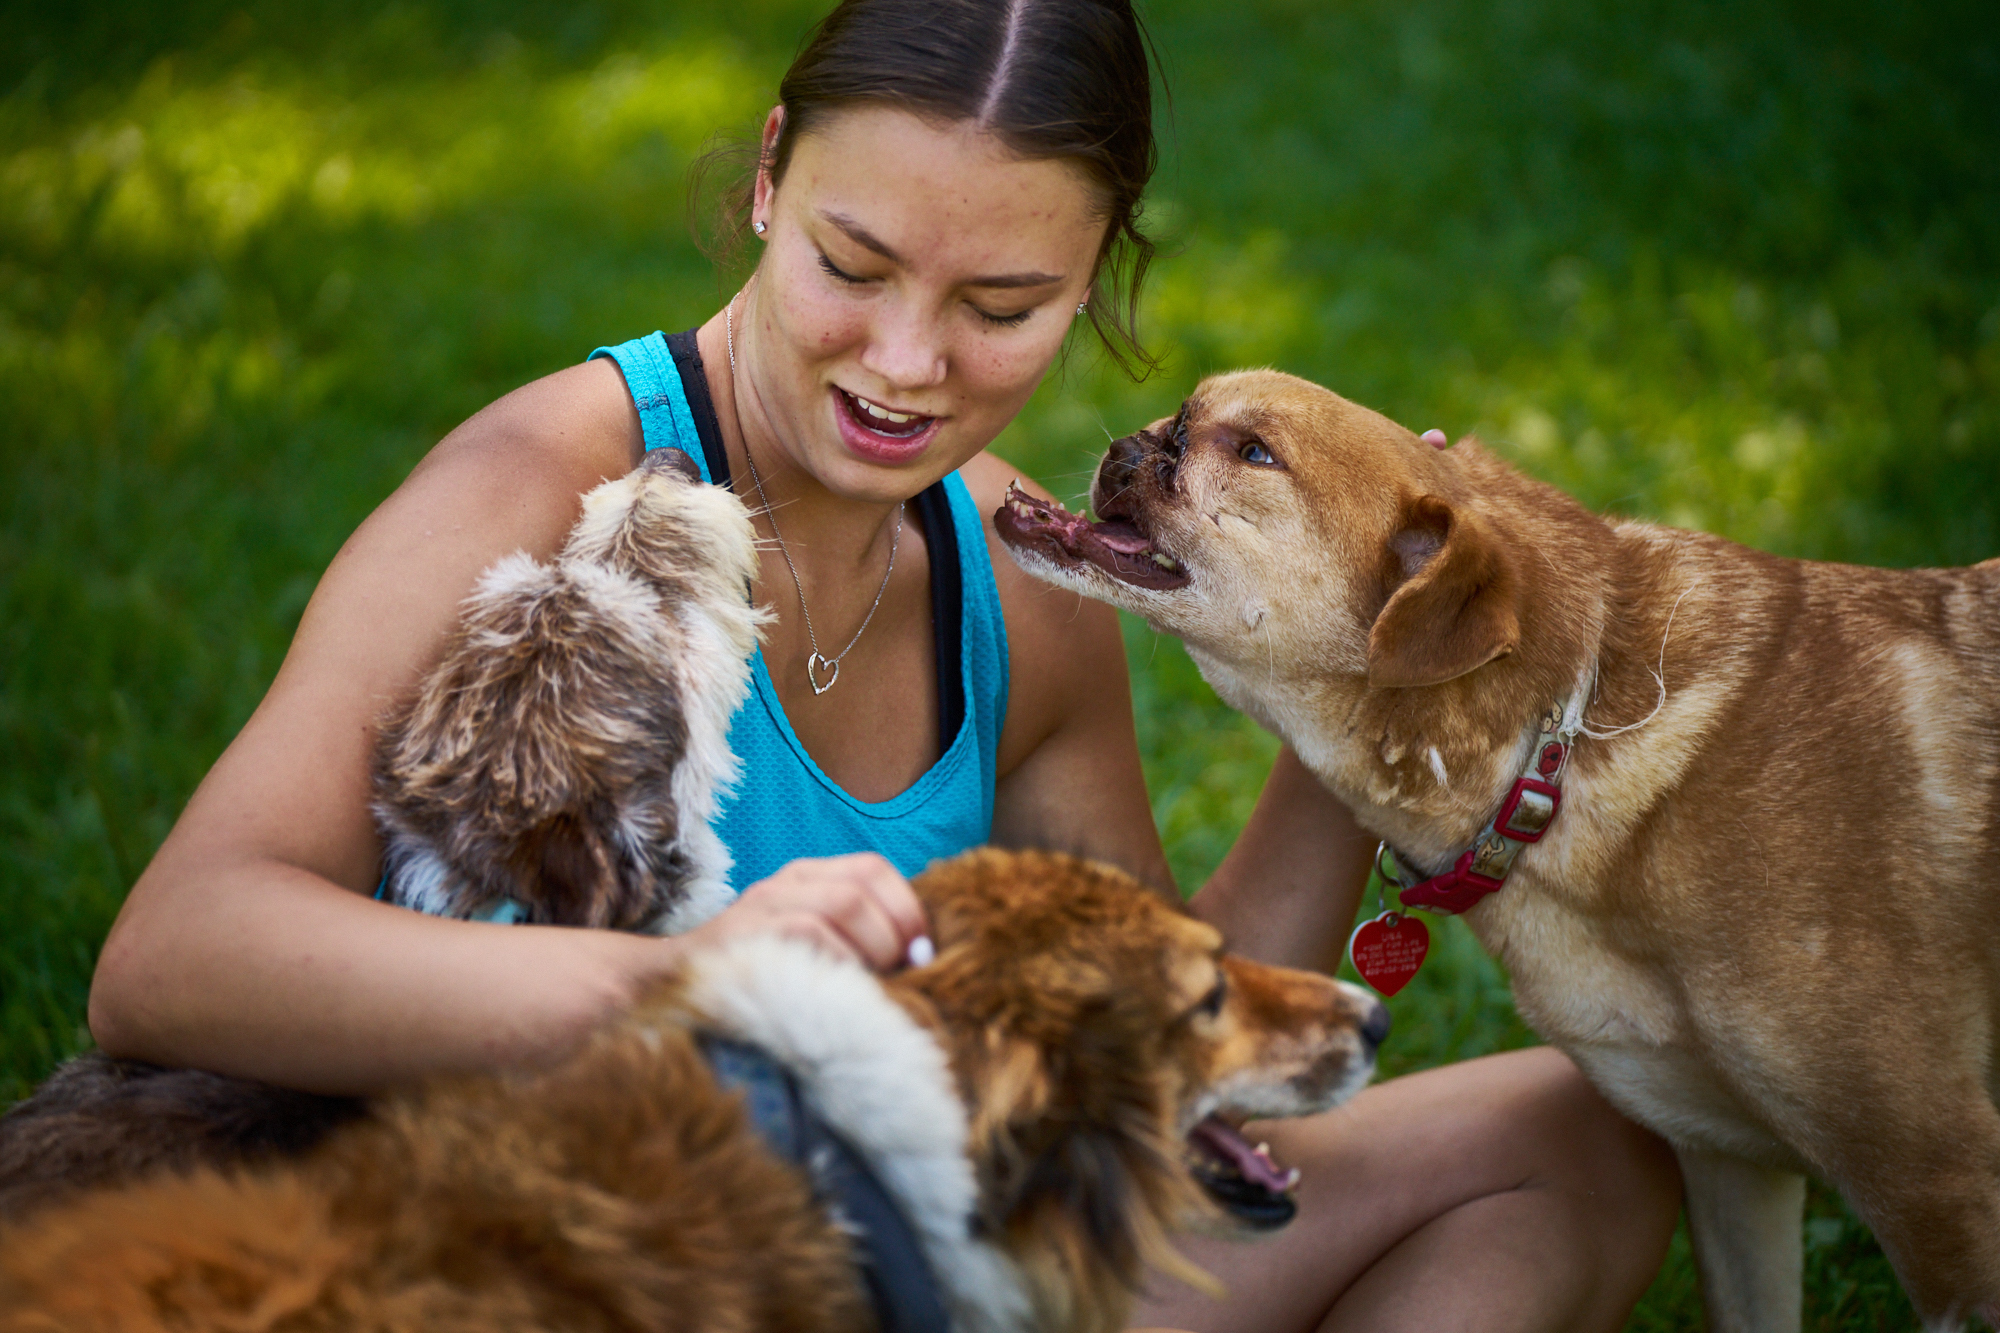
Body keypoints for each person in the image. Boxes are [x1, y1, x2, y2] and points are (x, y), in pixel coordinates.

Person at [85, 1, 1680, 1328]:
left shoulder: (1011, 571)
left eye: (1004, 304)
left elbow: (1156, 1042)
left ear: (1099, 271)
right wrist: (684, 986)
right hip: (555, 1267)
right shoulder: (533, 493)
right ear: (772, 178)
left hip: (900, 1259)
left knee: (1582, 1139)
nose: (909, 366)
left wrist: (1363, 683)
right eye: (855, 265)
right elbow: (175, 954)